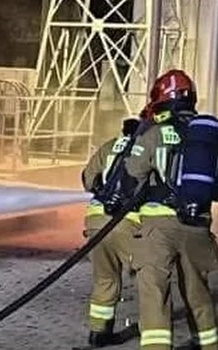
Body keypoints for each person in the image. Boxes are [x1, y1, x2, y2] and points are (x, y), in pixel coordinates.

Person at [124, 70, 218, 350]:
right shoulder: (210, 140)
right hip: (196, 225)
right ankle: (209, 345)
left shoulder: (153, 132)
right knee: (197, 291)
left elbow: (132, 175)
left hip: (157, 227)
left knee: (154, 291)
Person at [79, 115, 144, 347]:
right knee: (149, 279)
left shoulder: (109, 146)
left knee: (105, 279)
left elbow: (87, 180)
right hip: (130, 224)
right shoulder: (147, 150)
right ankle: (154, 329)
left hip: (96, 224)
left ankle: (99, 333)